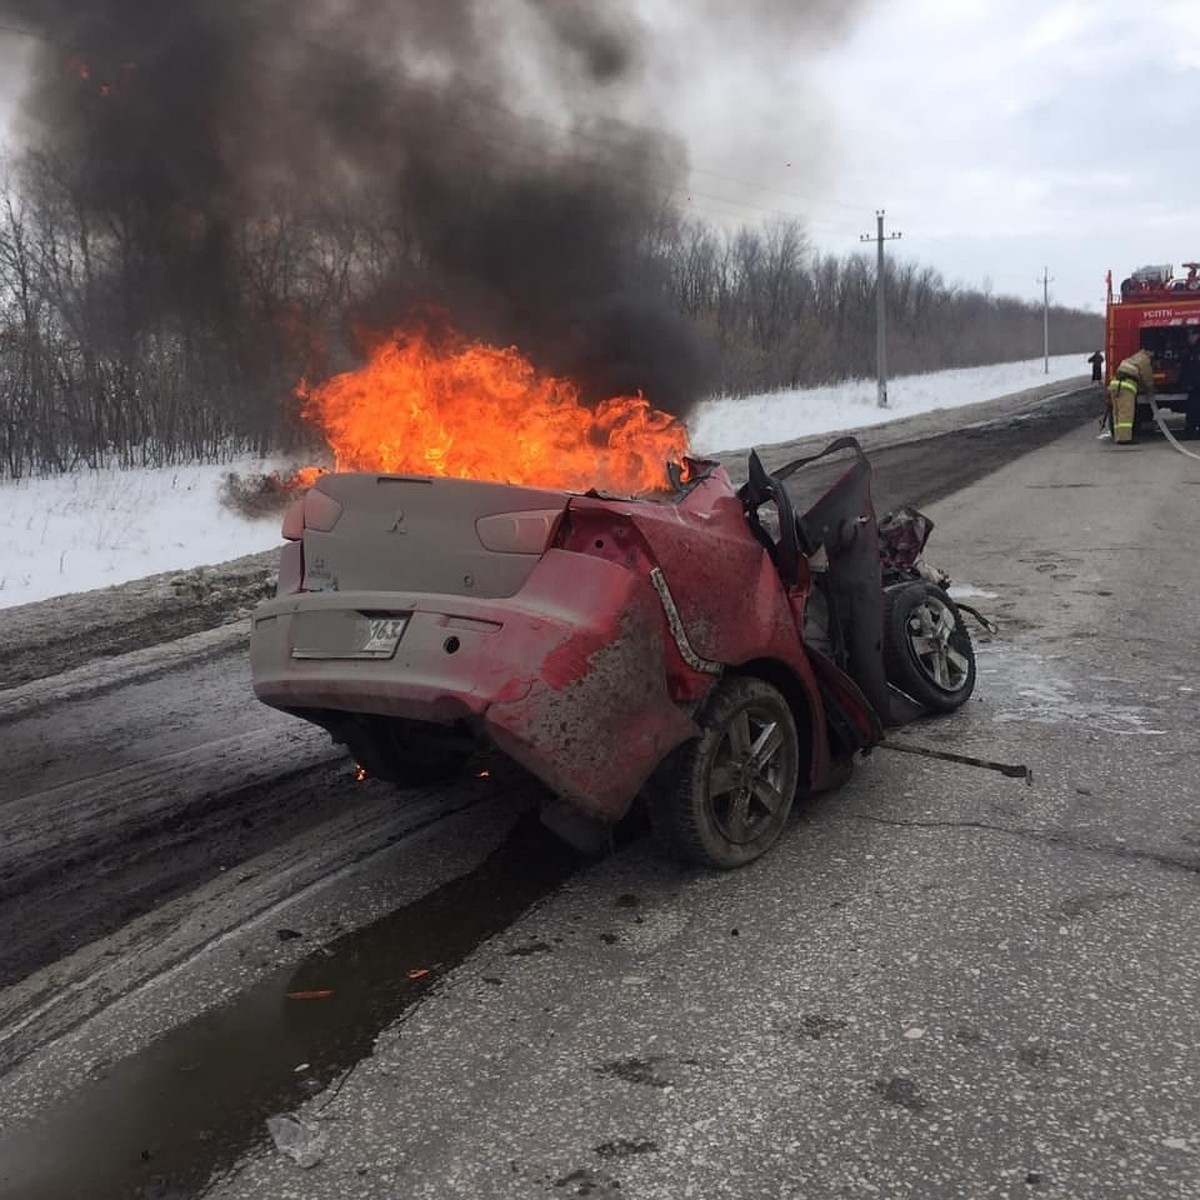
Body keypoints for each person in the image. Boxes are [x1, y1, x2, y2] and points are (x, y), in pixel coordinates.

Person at [1107, 348, 1154, 444]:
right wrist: (1150, 388)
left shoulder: (1133, 358)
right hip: (1126, 387)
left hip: (1115, 385)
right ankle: (1125, 439)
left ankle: (1118, 436)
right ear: (1149, 352)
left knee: (1117, 412)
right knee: (1126, 413)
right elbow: (1146, 376)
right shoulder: (1144, 359)